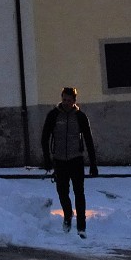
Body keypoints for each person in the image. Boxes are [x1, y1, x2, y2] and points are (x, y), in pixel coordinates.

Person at [41, 86, 98, 237]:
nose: (66, 102)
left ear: (74, 101)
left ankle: (81, 227)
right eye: (64, 99)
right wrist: (47, 159)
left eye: (69, 100)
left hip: (76, 159)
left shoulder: (80, 116)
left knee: (79, 193)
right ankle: (67, 215)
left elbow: (88, 140)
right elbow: (44, 137)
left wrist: (93, 164)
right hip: (59, 160)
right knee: (62, 191)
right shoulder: (53, 115)